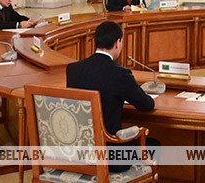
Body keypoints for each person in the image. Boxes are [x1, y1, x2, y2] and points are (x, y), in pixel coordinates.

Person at [67, 21, 157, 172]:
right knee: (154, 145)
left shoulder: (73, 69)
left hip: (77, 152)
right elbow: (147, 105)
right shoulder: (120, 73)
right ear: (117, 43)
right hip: (111, 156)